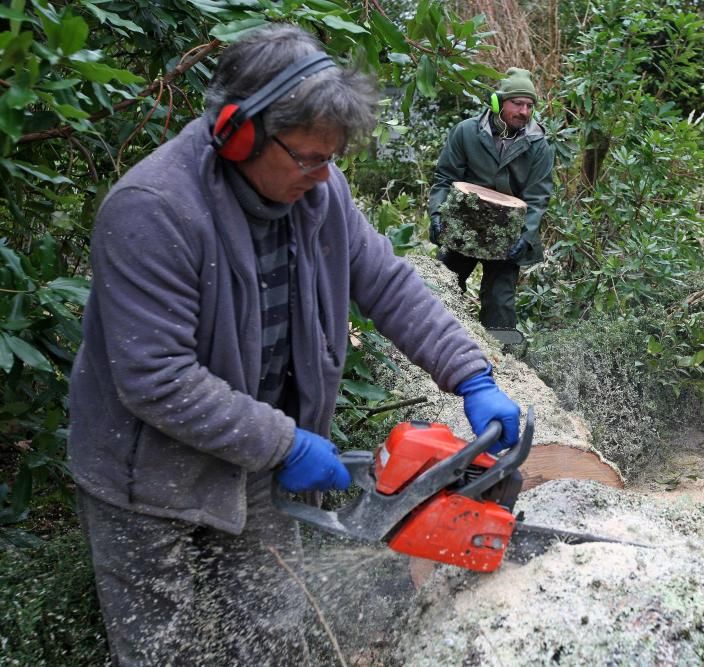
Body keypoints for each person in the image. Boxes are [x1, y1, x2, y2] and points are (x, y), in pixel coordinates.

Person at [68, 24, 520, 666]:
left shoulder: (319, 193)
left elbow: (387, 283)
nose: (321, 174)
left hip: (259, 460)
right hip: (146, 475)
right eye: (308, 158)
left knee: (271, 627)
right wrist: (285, 442)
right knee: (161, 648)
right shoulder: (153, 209)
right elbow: (157, 378)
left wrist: (471, 376)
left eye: (331, 158)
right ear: (239, 132)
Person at [427, 67, 555, 337]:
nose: (524, 111)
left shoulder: (538, 145)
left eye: (529, 105)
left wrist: (526, 236)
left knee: (500, 303)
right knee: (440, 286)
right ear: (497, 102)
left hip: (509, 233)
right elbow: (444, 178)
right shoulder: (466, 133)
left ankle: (503, 360)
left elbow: (538, 196)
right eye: (517, 103)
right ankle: (431, 339)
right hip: (465, 225)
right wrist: (437, 214)